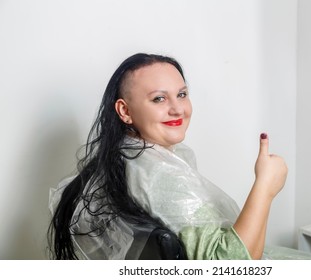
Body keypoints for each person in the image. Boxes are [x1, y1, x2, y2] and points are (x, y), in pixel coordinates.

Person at [48, 53, 289, 260]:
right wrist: (265, 186)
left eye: (182, 94)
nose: (177, 109)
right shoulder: (159, 175)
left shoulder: (126, 158)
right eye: (159, 99)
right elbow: (227, 265)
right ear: (125, 111)